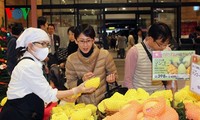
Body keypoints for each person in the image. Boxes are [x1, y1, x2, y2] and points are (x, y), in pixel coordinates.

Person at [0, 28, 94, 120]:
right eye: (42, 44)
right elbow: (48, 94)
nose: (46, 48)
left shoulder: (32, 63)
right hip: (18, 114)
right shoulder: (28, 66)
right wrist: (76, 90)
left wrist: (64, 96)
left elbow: (40, 90)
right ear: (30, 45)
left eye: (47, 45)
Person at [65, 24, 118, 106]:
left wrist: (112, 80)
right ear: (76, 41)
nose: (85, 45)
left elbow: (114, 77)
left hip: (104, 104)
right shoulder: (71, 60)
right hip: (82, 105)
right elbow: (70, 83)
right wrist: (82, 80)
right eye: (82, 41)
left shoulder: (105, 55)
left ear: (93, 40)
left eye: (88, 40)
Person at [123, 22, 173, 94]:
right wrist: (134, 97)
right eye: (160, 44)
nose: (163, 48)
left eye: (166, 44)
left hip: (160, 95)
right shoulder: (134, 51)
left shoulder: (167, 50)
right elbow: (128, 80)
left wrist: (170, 90)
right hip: (140, 96)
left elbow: (170, 78)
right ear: (150, 38)